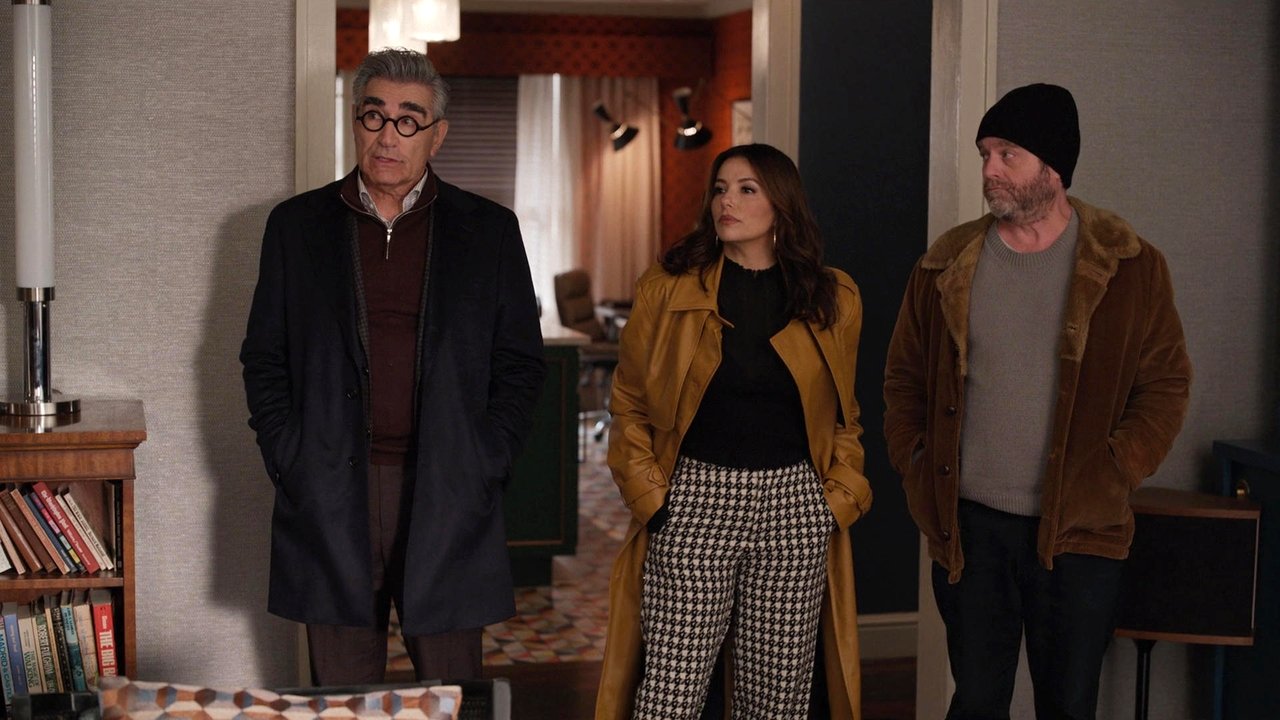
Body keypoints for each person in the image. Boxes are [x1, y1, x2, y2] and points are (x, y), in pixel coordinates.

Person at [884, 83, 1192, 720]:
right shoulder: (945, 263)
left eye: (1008, 154)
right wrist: (915, 462)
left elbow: (1165, 385)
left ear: (1053, 167)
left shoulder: (1131, 266)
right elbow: (903, 380)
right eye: (985, 154)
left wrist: (1115, 469)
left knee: (1069, 705)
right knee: (977, 702)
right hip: (970, 530)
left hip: (1081, 531)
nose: (990, 169)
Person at [240, 48, 545, 684]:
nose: (388, 135)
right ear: (354, 121)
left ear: (437, 135)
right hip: (331, 486)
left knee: (453, 692)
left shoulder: (489, 230)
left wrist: (487, 458)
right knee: (344, 697)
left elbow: (519, 363)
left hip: (448, 483)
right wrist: (291, 457)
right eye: (374, 115)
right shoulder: (296, 226)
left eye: (409, 120)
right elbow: (265, 358)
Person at [595, 143, 873, 720]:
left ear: (781, 204)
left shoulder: (832, 295)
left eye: (747, 189)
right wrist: (654, 501)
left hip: (794, 505)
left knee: (777, 701)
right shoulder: (666, 287)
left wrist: (834, 501)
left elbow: (845, 415)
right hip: (693, 498)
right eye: (721, 189)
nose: (728, 201)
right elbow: (629, 403)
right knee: (669, 695)